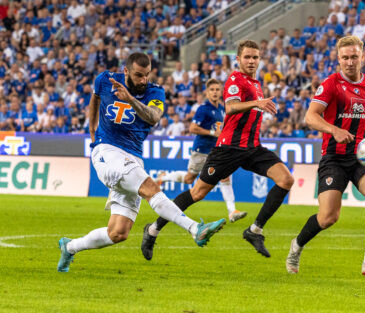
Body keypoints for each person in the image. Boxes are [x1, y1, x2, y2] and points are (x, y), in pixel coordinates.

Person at [57, 52, 226, 273]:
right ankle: (195, 229)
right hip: (107, 151)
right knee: (151, 188)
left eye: (146, 75)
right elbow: (95, 98)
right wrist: (91, 128)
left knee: (118, 233)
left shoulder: (155, 91)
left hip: (133, 156)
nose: (143, 80)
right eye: (138, 75)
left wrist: (130, 99)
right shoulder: (105, 80)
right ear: (126, 71)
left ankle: (69, 247)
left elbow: (154, 117)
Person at [141, 40, 294, 259]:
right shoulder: (235, 80)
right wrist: (256, 103)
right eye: (247, 57)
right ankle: (153, 230)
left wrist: (258, 104)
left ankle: (254, 231)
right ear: (238, 59)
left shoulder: (256, 84)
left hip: (252, 147)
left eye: (255, 57)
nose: (251, 61)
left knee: (286, 179)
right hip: (228, 149)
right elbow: (230, 108)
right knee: (197, 193)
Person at [285, 36, 365, 276]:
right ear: (338, 58)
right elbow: (311, 117)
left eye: (354, 57)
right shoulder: (331, 84)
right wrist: (334, 130)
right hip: (334, 157)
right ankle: (296, 246)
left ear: (362, 56)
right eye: (345, 58)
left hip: (362, 156)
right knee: (329, 217)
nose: (350, 62)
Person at [152, 78, 247, 227]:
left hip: (215, 150)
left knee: (225, 177)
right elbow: (192, 128)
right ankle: (164, 177)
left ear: (221, 92)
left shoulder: (222, 109)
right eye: (212, 90)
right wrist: (211, 132)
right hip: (201, 150)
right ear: (207, 92)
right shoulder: (203, 109)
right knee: (190, 178)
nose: (215, 92)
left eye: (217, 89)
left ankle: (232, 211)